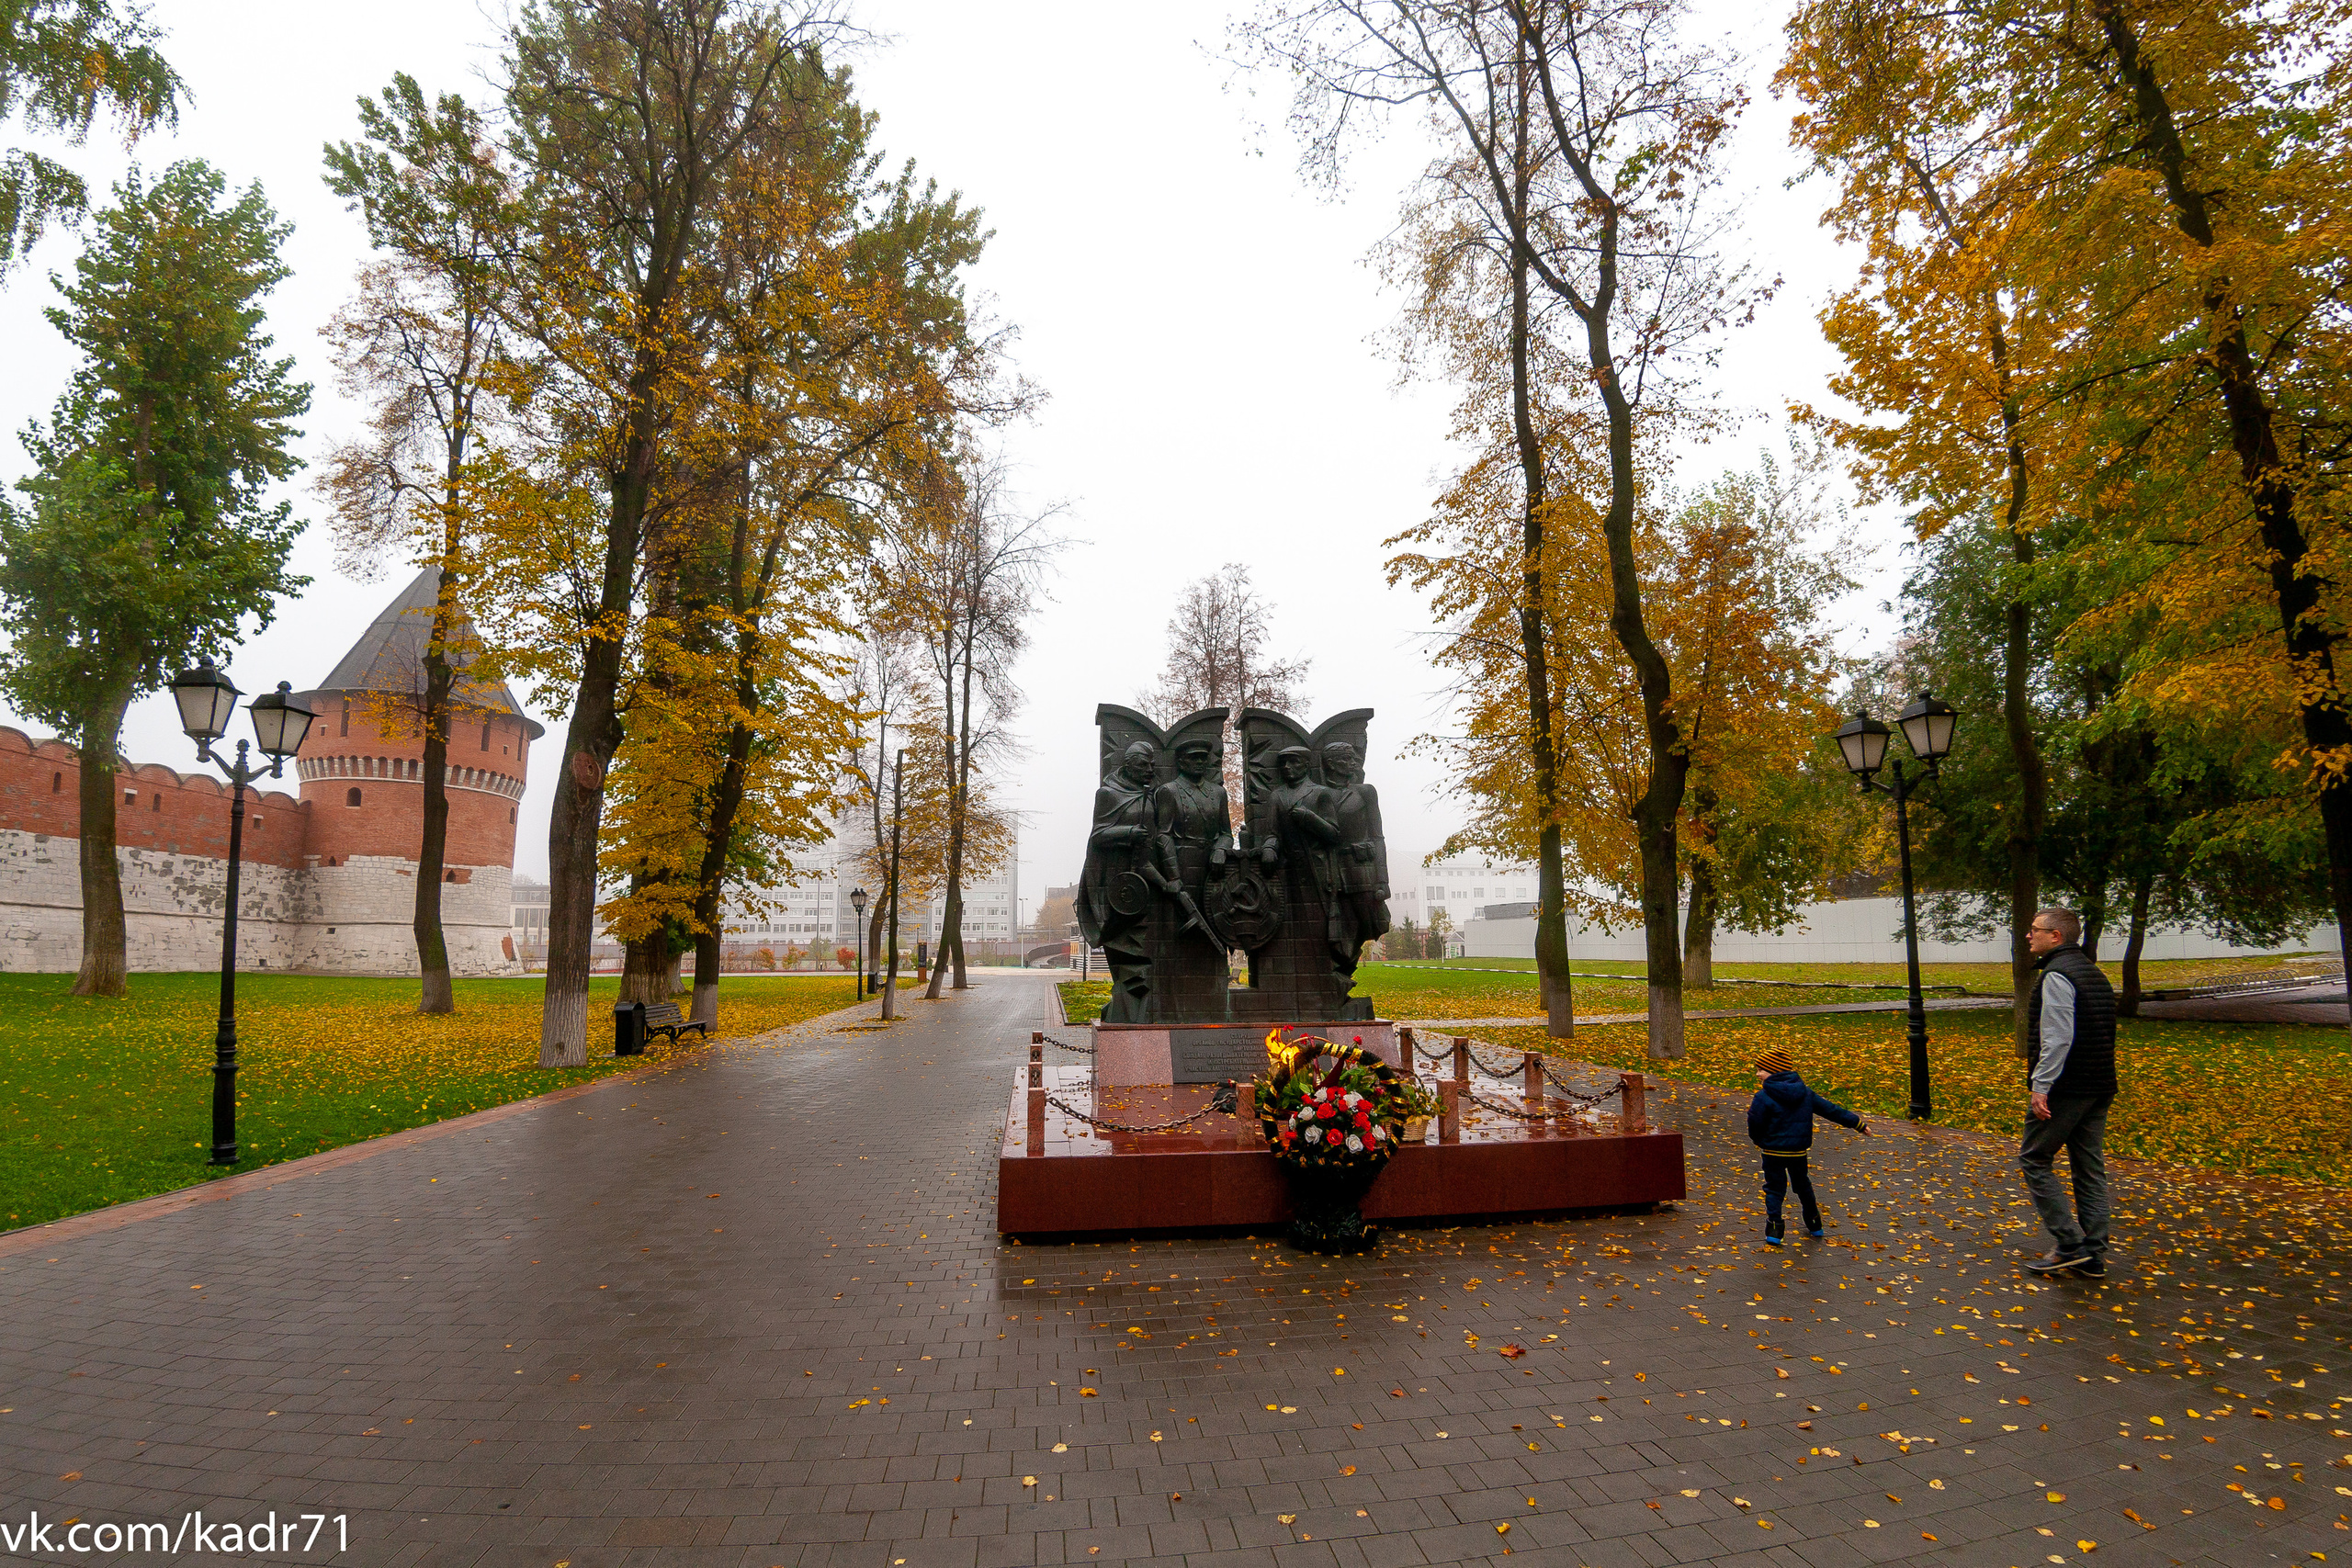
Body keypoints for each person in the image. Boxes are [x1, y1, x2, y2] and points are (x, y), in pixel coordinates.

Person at [2019, 906, 2118, 1278]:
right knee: (2088, 1167)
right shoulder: (2092, 973)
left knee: (2034, 1157)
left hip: (2068, 1087)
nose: (2029, 936)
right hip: (2099, 1084)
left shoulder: (2057, 975)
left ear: (2055, 936)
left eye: (2034, 930)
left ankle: (2069, 1244)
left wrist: (2041, 1086)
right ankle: (2093, 1254)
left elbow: (2058, 1039)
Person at [1747, 1047, 1870, 1245]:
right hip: (1798, 1152)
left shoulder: (1763, 1097)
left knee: (1774, 1189)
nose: (1758, 1074)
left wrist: (1759, 1141)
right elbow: (1830, 1110)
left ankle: (1775, 1230)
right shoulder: (1805, 1093)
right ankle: (1815, 1224)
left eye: (1761, 1069)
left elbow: (1755, 1123)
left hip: (1772, 1152)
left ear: (1774, 1070)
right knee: (1803, 1186)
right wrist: (1856, 1123)